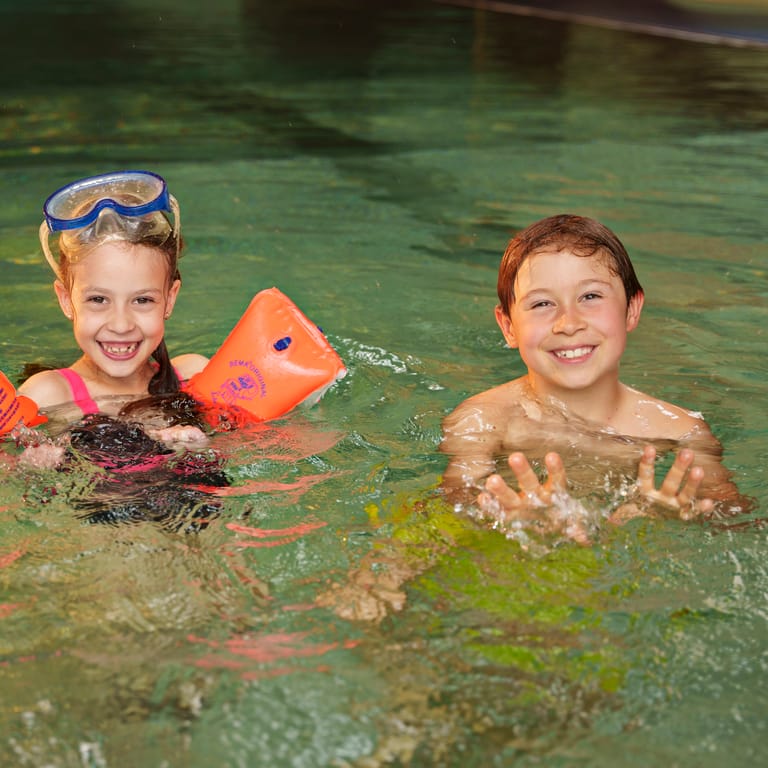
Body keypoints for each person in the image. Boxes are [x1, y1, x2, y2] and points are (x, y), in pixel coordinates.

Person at [440, 214, 746, 543]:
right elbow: (446, 516)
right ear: (509, 326)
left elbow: (737, 521)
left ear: (631, 309)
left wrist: (675, 520)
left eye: (590, 297)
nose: (568, 323)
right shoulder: (482, 421)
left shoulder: (681, 432)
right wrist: (502, 523)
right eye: (542, 303)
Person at [18, 170, 210, 464]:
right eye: (98, 299)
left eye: (142, 300)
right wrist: (30, 468)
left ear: (169, 299)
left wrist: (205, 449)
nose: (121, 325)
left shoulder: (196, 378)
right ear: (66, 301)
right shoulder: (46, 395)